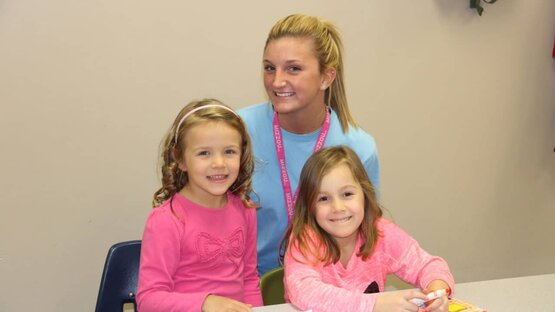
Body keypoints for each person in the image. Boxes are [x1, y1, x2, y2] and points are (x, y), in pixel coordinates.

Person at [238, 13, 380, 276]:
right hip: (245, 286)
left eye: (293, 68)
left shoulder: (359, 148)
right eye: (269, 67)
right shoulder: (236, 133)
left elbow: (368, 238)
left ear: (326, 77)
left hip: (327, 285)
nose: (277, 81)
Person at [282, 146, 454, 312]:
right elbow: (304, 291)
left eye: (347, 194)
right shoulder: (304, 240)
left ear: (364, 194)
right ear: (309, 206)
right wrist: (373, 305)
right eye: (324, 198)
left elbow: (429, 265)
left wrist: (437, 290)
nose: (337, 207)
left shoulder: (381, 233)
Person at [136, 99, 263, 312]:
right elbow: (148, 300)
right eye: (204, 153)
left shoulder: (245, 209)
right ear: (181, 160)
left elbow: (249, 279)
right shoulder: (167, 220)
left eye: (229, 152)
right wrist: (204, 303)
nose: (219, 163)